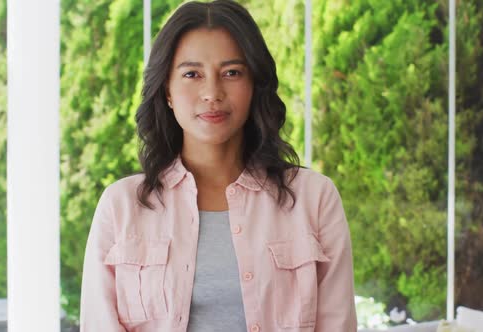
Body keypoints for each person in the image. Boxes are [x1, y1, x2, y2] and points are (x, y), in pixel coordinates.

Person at [80, 0, 357, 331]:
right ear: (167, 89)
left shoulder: (314, 199)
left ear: (255, 85)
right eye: (192, 74)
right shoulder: (121, 206)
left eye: (232, 73)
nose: (212, 92)